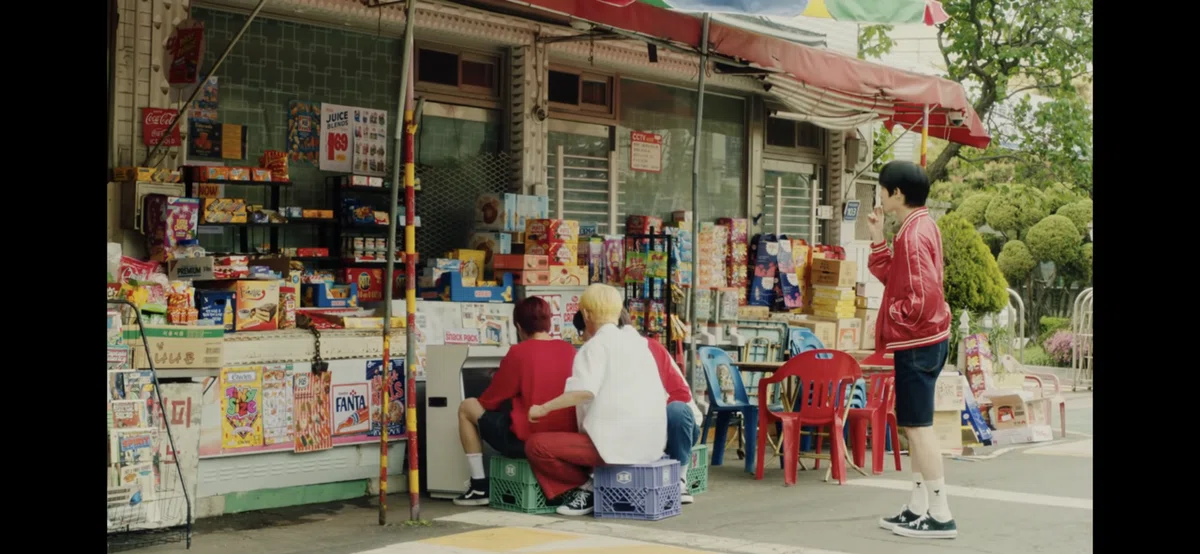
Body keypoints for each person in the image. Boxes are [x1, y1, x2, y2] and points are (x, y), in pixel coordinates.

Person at [866, 161, 956, 539]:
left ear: (897, 193)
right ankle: (920, 506)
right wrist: (877, 238)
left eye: (882, 190)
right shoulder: (920, 226)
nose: (880, 196)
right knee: (915, 425)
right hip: (927, 339)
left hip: (917, 341)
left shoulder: (914, 234)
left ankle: (940, 513)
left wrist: (894, 316)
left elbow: (921, 296)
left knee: (918, 428)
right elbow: (897, 278)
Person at [525, 284, 668, 516]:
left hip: (614, 446)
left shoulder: (594, 347)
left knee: (536, 446)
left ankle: (586, 487)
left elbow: (584, 392)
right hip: (652, 445)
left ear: (586, 314)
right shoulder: (639, 345)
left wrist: (543, 409)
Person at [452, 296, 578, 506]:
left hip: (527, 441)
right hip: (564, 440)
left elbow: (490, 401)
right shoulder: (569, 350)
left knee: (467, 407)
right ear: (549, 321)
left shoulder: (519, 352)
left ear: (519, 326)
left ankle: (478, 486)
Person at [573, 308, 703, 504]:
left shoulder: (650, 348)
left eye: (583, 332)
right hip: (634, 433)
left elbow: (681, 396)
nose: (582, 339)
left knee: (677, 411)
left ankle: (679, 479)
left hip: (673, 428)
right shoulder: (597, 354)